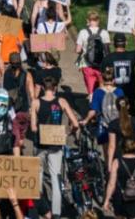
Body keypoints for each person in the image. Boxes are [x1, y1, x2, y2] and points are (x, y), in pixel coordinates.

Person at [29, 76, 81, 218]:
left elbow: (33, 128)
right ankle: (56, 212)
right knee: (55, 177)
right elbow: (75, 123)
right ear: (55, 87)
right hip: (56, 144)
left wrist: (41, 128)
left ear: (44, 88)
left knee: (38, 177)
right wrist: (69, 132)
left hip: (40, 144)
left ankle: (40, 208)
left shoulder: (36, 103)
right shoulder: (62, 101)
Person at [102, 28, 135, 114]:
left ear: (114, 44)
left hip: (114, 94)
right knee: (131, 117)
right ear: (126, 43)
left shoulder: (108, 58)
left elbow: (102, 77)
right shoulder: (132, 56)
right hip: (130, 93)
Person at [103, 139, 135, 219]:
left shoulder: (117, 162)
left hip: (121, 197)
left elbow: (111, 184)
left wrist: (107, 200)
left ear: (122, 148)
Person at [79, 66, 124, 145]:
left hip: (103, 124)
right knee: (116, 145)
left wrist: (86, 120)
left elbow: (93, 110)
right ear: (113, 80)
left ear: (102, 79)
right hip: (117, 123)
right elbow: (123, 108)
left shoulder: (98, 92)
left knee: (106, 146)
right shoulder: (119, 91)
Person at [75, 11, 111, 94]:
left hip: (86, 65)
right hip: (101, 65)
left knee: (91, 91)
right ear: (98, 20)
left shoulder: (83, 32)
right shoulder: (104, 32)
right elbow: (107, 50)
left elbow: (77, 50)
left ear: (88, 20)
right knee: (102, 88)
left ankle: (92, 102)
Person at [107, 96, 135, 167]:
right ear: (128, 106)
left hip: (119, 157)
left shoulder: (113, 124)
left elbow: (111, 146)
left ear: (117, 108)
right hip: (133, 155)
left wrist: (109, 164)